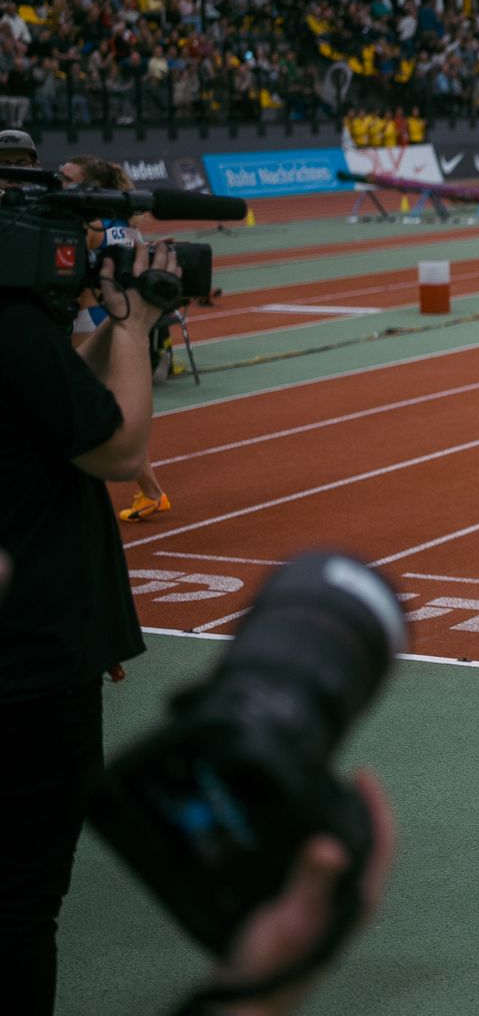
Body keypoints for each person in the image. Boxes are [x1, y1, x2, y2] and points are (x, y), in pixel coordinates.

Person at [1, 236, 178, 1014]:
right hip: (31, 671)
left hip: (38, 650)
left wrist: (103, 324)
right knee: (18, 904)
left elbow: (53, 388)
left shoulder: (20, 339)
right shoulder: (11, 329)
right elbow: (119, 446)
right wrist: (137, 326)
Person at [55, 156, 174, 521]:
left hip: (89, 321)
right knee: (98, 409)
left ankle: (149, 491)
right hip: (116, 319)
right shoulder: (126, 224)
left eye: (67, 178)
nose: (59, 183)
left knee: (81, 408)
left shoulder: (89, 226)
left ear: (91, 185)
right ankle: (150, 491)